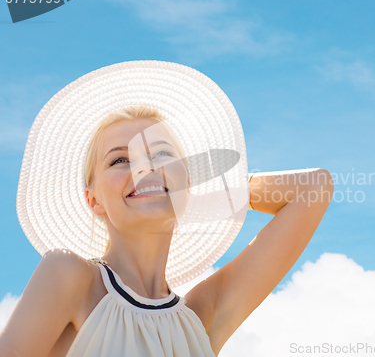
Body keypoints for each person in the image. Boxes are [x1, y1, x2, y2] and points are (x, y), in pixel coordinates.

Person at [0, 61, 333, 357]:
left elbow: (313, 188)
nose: (144, 168)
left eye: (160, 155)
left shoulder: (203, 317)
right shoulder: (69, 277)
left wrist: (180, 194)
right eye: (120, 159)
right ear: (94, 199)